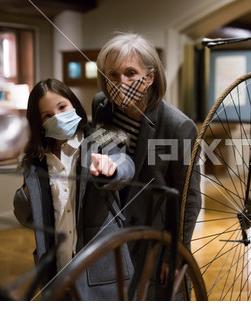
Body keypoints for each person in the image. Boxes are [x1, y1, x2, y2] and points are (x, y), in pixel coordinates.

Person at [92, 32, 201, 300]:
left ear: (150, 77)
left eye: (131, 73)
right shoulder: (101, 107)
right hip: (109, 238)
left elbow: (189, 199)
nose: (121, 82)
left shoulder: (177, 126)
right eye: (113, 75)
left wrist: (174, 254)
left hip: (153, 242)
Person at [13, 78, 135, 300]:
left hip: (101, 272)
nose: (58, 117)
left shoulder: (100, 143)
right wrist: (26, 195)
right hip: (57, 273)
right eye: (47, 115)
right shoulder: (36, 163)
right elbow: (26, 217)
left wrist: (111, 167)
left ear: (74, 105)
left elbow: (126, 166)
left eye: (62, 107)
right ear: (39, 123)